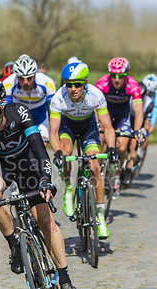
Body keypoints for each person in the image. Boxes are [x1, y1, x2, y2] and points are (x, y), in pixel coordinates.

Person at [0, 77, 81, 289]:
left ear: (1, 104)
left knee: (46, 222)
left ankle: (65, 281)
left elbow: (39, 150)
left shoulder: (20, 112)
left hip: (27, 163)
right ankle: (14, 243)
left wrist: (46, 180)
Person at [49, 62, 118, 239]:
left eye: (77, 84)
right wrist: (57, 152)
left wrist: (111, 148)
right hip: (68, 127)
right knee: (66, 154)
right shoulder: (58, 98)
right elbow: (53, 133)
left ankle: (100, 217)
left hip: (88, 128)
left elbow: (108, 128)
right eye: (69, 84)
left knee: (94, 167)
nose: (73, 89)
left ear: (85, 84)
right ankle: (68, 189)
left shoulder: (96, 95)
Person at [95, 57, 143, 200]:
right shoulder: (102, 83)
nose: (116, 79)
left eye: (120, 76)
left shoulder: (132, 85)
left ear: (126, 75)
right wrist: (97, 123)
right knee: (102, 140)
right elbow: (94, 106)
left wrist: (136, 131)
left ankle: (116, 178)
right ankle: (96, 172)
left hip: (123, 116)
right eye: (113, 75)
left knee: (121, 148)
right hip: (106, 114)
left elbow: (138, 111)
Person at [2, 54, 56, 144]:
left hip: (40, 116)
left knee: (41, 146)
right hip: (19, 116)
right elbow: (4, 110)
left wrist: (54, 132)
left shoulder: (46, 82)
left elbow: (55, 109)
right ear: (16, 76)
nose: (25, 82)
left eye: (29, 78)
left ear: (35, 75)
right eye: (21, 78)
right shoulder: (8, 83)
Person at [137, 74, 157, 160]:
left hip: (151, 111)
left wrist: (148, 129)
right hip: (141, 110)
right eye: (146, 91)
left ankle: (140, 151)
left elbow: (154, 115)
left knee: (147, 131)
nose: (147, 93)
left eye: (150, 92)